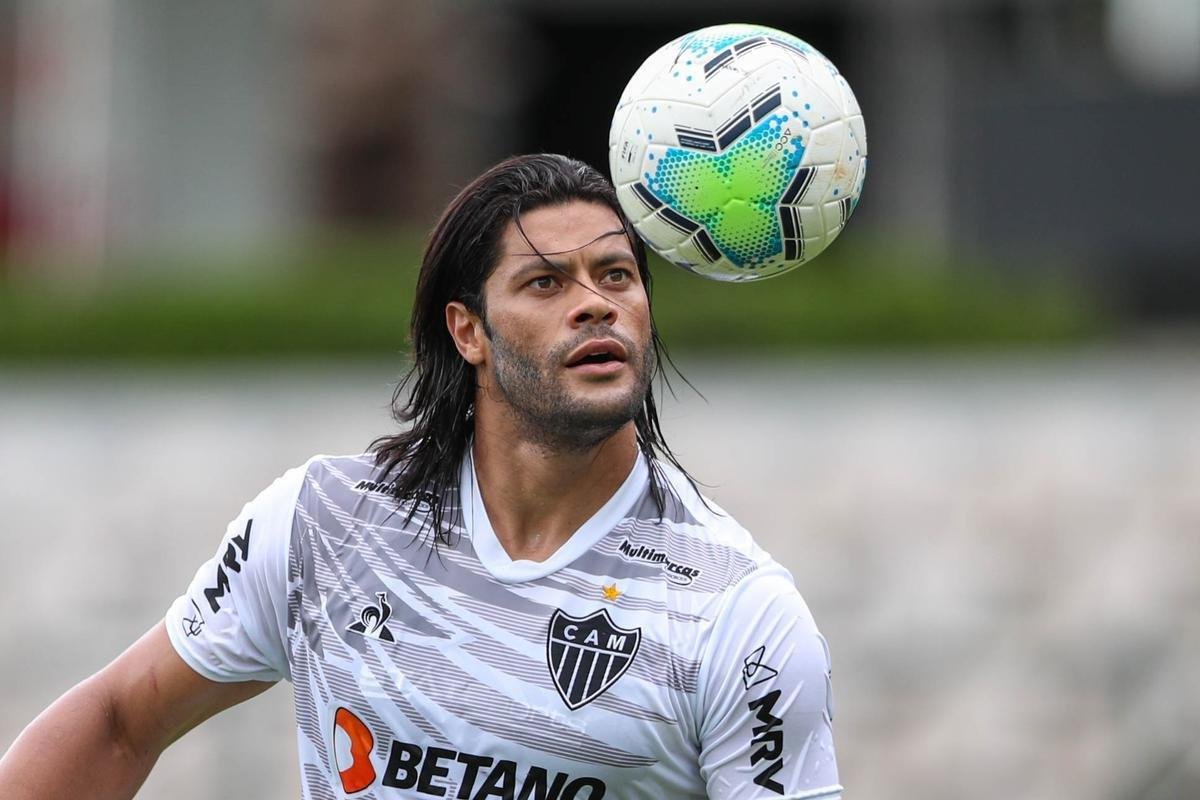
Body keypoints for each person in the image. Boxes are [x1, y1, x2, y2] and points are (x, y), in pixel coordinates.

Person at [0, 154, 840, 799]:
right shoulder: (325, 525)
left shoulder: (738, 614)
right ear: (468, 331)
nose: (595, 303)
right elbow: (118, 723)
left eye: (615, 275)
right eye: (545, 282)